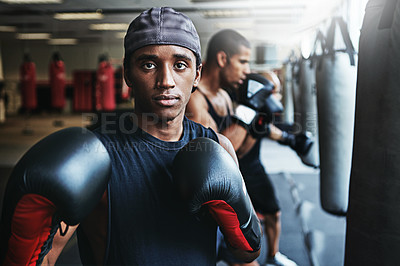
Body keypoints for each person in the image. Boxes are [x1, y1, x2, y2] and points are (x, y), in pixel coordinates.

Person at [0, 7, 262, 266]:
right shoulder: (92, 158)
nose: (166, 80)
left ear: (197, 75)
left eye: (180, 65)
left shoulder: (219, 148)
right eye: (148, 64)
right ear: (127, 73)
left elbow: (246, 252)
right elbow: (44, 259)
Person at [186, 29, 299, 266]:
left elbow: (241, 149)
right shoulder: (196, 100)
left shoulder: (225, 97)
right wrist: (248, 109)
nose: (247, 70)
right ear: (222, 59)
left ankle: (272, 256)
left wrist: (261, 124)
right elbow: (219, 153)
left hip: (229, 194)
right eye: (243, 61)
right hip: (207, 207)